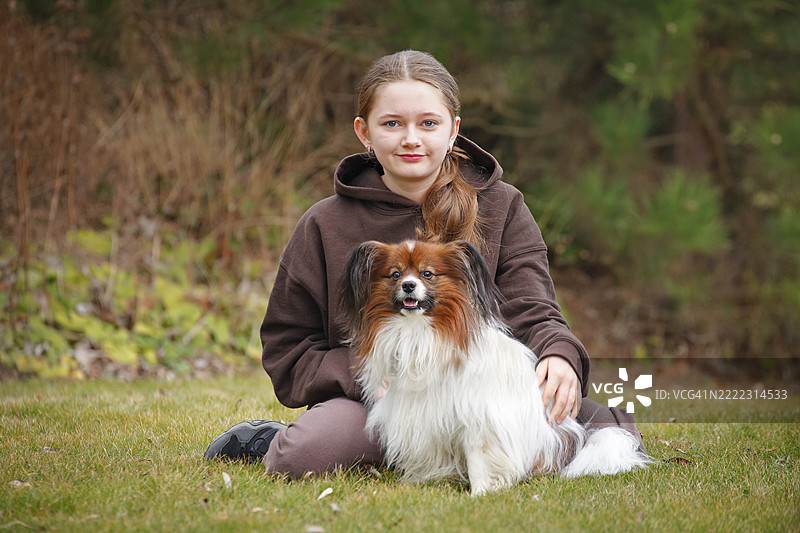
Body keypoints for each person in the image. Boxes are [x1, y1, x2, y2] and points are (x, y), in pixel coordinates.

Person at [204, 50, 645, 475]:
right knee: (305, 456)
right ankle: (277, 438)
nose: (411, 138)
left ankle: (476, 448)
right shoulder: (324, 223)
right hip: (379, 401)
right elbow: (289, 344)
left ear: (453, 130)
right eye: (392, 123)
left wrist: (560, 354)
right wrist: (363, 372)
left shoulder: (502, 205)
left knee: (609, 434)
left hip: (481, 391)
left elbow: (532, 307)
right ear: (364, 131)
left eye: (428, 123)